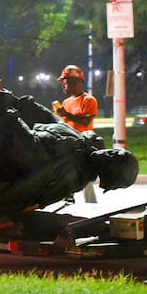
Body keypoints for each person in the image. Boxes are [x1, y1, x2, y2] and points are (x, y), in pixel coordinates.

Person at [54, 64, 99, 203]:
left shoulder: (89, 100)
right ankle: (67, 200)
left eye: (65, 83)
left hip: (84, 144)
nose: (63, 87)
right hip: (69, 145)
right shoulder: (66, 102)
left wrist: (66, 113)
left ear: (76, 83)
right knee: (66, 175)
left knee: (86, 177)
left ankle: (92, 207)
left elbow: (85, 122)